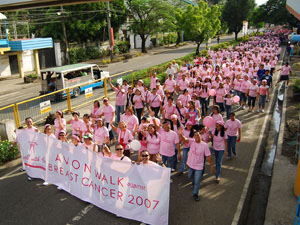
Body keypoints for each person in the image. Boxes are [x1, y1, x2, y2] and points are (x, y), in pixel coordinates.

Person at [181, 131, 215, 201]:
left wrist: (212, 166)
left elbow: (208, 156)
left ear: (200, 136)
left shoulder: (204, 145)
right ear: (193, 137)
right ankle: (193, 183)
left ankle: (195, 193)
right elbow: (185, 140)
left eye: (198, 135)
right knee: (190, 176)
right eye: (195, 135)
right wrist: (181, 134)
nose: (196, 136)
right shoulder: (192, 142)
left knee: (197, 181)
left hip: (199, 166)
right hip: (190, 164)